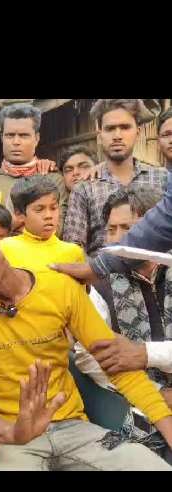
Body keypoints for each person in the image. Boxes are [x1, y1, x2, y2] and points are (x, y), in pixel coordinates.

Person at [0, 203, 172, 470]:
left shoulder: (58, 287)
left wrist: (167, 427)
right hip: (7, 442)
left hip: (73, 429)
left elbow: (117, 364)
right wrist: (10, 432)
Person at [71, 188, 172, 460]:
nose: (120, 238)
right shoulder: (100, 285)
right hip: (137, 400)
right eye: (112, 229)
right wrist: (158, 392)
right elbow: (89, 355)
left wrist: (144, 353)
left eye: (128, 228)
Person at [62, 99, 168, 256]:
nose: (117, 136)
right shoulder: (85, 188)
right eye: (110, 129)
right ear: (100, 134)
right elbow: (74, 249)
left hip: (157, 275)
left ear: (137, 132)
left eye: (125, 127)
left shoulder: (162, 179)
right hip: (102, 275)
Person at [0, 102, 64, 234]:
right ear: (2, 138)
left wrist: (3, 225)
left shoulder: (53, 179)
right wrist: (29, 222)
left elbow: (56, 230)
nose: (16, 142)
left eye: (24, 135)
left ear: (36, 139)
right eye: (10, 135)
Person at [0, 175, 85, 272]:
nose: (48, 215)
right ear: (19, 214)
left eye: (53, 208)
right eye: (39, 210)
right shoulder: (5, 249)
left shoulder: (74, 252)